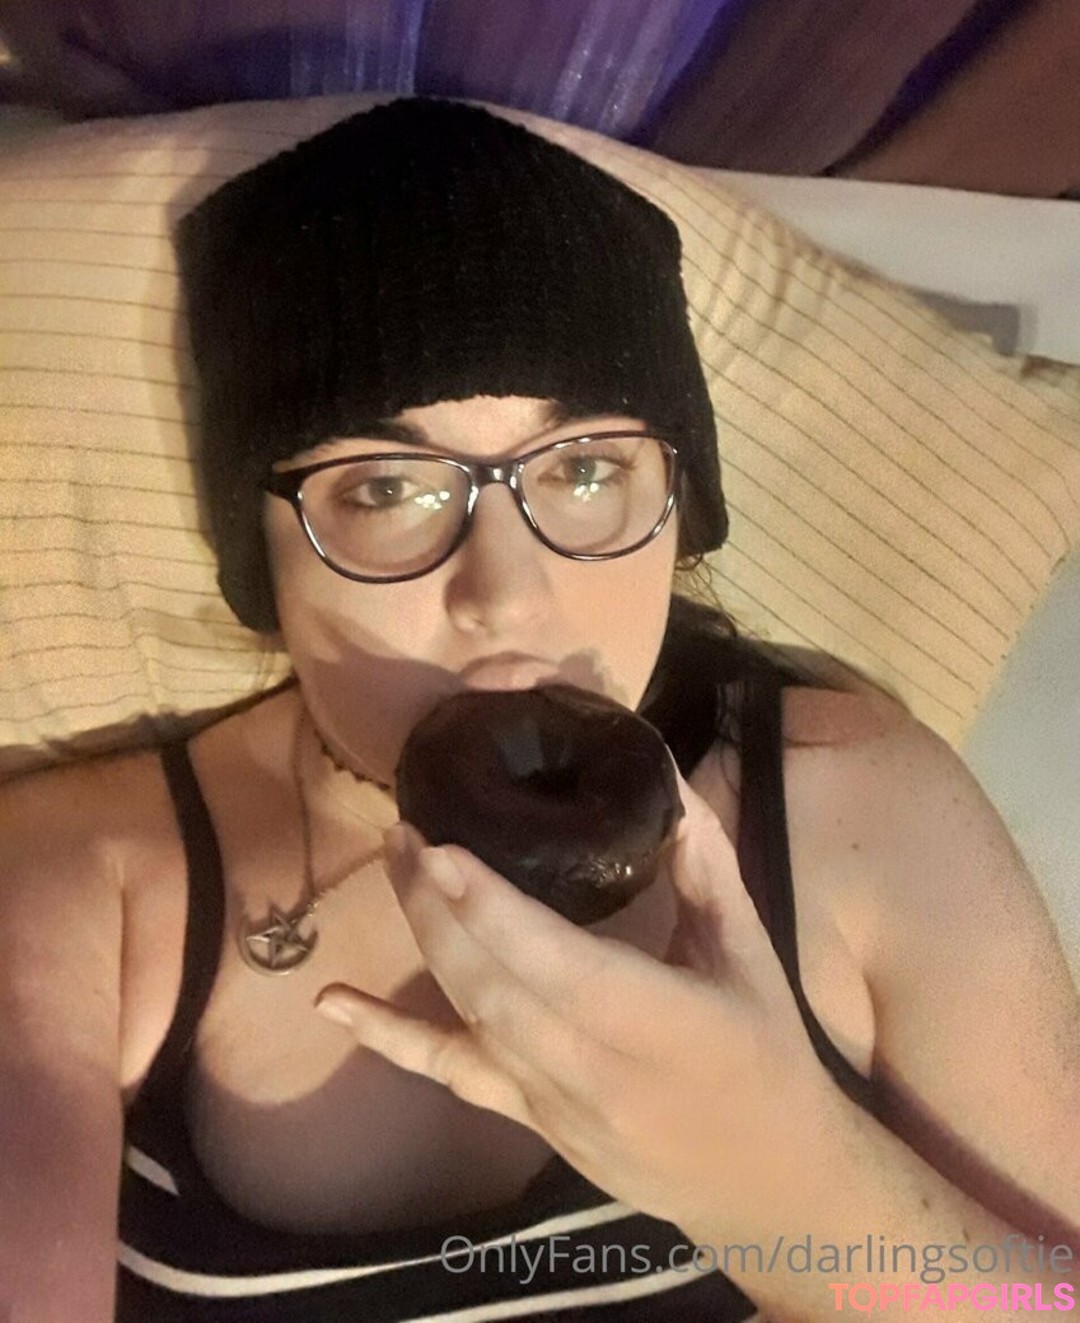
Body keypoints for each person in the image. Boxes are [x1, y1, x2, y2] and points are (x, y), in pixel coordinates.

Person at [0, 99, 1076, 1323]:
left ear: (675, 510)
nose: (504, 597)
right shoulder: (86, 882)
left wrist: (790, 1188)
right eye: (388, 488)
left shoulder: (855, 803)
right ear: (265, 554)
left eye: (583, 469)